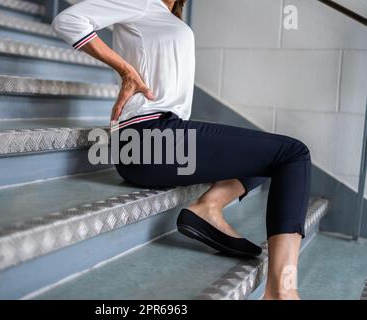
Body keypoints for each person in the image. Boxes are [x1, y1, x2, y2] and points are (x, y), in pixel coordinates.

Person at [52, 0, 311, 300]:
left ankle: (209, 207)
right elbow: (69, 21)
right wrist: (125, 70)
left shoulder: (165, 15)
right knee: (293, 154)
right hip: (149, 138)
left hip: (159, 141)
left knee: (270, 153)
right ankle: (282, 292)